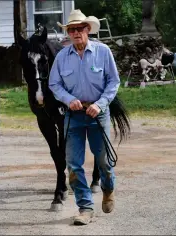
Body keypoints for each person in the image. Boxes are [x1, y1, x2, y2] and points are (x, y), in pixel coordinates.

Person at [49, 9, 120, 225]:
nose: (76, 33)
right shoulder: (62, 57)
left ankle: (108, 188)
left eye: (80, 28)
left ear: (87, 30)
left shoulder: (103, 51)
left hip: (98, 114)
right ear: (68, 33)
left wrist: (99, 104)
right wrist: (68, 98)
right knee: (73, 164)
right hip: (73, 116)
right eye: (72, 30)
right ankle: (85, 208)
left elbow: (113, 82)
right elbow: (54, 84)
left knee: (103, 161)